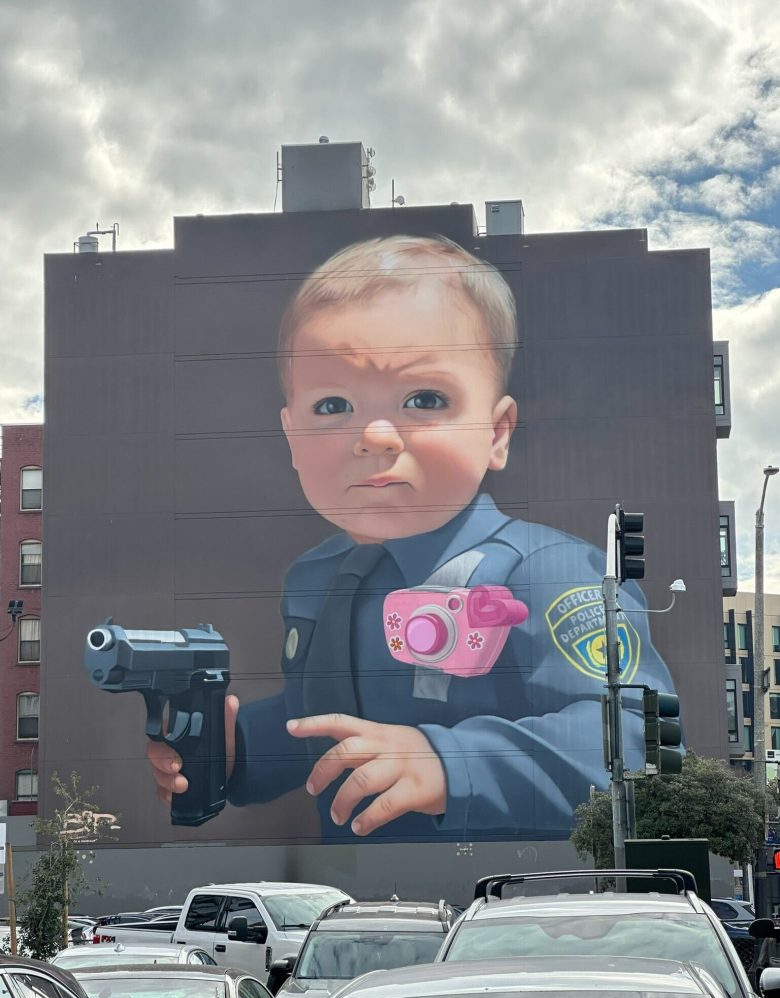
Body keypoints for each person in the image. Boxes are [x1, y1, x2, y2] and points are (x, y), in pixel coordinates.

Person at [148, 234, 676, 841]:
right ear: (291, 437)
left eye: (425, 399)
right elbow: (320, 726)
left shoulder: (546, 570)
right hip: (352, 888)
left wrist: (452, 764)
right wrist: (234, 753)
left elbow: (636, 738)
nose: (375, 436)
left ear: (497, 433)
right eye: (332, 405)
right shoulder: (315, 579)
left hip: (521, 891)